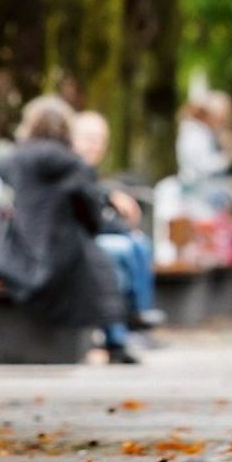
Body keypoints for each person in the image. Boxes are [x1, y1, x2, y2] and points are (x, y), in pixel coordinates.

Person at [0, 97, 124, 360]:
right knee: (109, 261)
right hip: (61, 252)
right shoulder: (72, 164)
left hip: (14, 250)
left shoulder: (8, 162)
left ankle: (117, 337)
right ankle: (117, 339)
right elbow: (91, 215)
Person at [72, 111, 163, 359]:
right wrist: (123, 226)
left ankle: (138, 318)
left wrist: (112, 195)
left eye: (101, 139)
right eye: (89, 138)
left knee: (135, 243)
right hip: (73, 243)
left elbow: (95, 200)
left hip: (83, 238)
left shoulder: (83, 169)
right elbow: (91, 218)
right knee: (122, 248)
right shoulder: (71, 167)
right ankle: (131, 322)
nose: (95, 145)